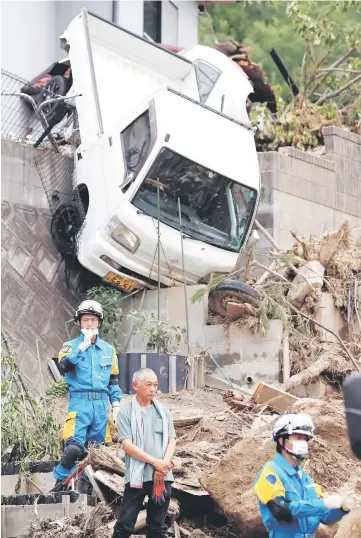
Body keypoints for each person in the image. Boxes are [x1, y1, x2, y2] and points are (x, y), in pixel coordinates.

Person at [53, 300, 122, 488]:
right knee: (73, 448)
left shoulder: (109, 350)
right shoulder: (69, 346)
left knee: (98, 452)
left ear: (99, 322)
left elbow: (113, 380)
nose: (89, 324)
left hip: (101, 406)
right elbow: (63, 367)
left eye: (93, 320)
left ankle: (87, 489)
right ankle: (59, 483)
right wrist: (82, 347)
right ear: (78, 323)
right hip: (80, 402)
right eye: (85, 320)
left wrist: (116, 405)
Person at [254, 413, 358, 538]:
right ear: (282, 441)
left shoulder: (305, 479)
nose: (303, 442)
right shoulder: (270, 472)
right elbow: (280, 510)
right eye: (298, 437)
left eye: (305, 439)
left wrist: (342, 508)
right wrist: (323, 503)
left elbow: (324, 517)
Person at [113, 368, 177, 538]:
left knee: (157, 526)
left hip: (162, 477)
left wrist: (162, 465)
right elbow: (127, 445)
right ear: (135, 385)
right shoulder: (126, 411)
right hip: (137, 477)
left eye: (155, 385)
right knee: (125, 525)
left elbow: (172, 440)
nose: (153, 389)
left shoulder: (164, 411)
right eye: (148, 384)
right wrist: (155, 463)